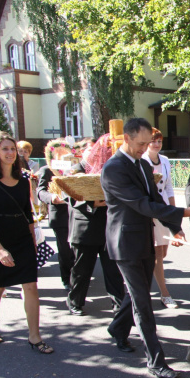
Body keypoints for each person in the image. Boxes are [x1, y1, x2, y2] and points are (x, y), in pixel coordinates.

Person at [101, 118, 190, 378]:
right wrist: (186, 211)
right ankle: (156, 362)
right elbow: (142, 205)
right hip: (125, 245)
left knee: (139, 293)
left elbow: (155, 198)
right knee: (143, 303)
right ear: (127, 138)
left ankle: (117, 329)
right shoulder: (113, 169)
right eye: (141, 143)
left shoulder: (143, 164)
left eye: (148, 143)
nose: (145, 149)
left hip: (143, 238)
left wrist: (173, 226)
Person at [0, 133, 53, 353]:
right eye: (5, 149)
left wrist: (33, 242)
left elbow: (28, 215)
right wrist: (0, 249)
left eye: (12, 148)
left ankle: (35, 336)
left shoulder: (23, 181)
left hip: (22, 237)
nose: (10, 153)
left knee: (30, 285)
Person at [65, 135, 125, 316]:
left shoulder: (110, 168)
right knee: (82, 269)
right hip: (86, 227)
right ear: (85, 151)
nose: (99, 152)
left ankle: (118, 302)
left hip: (108, 227)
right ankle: (75, 301)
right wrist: (93, 203)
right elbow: (71, 196)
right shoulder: (77, 169)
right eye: (94, 149)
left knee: (112, 269)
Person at [142, 128, 178, 309]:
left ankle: (143, 286)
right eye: (153, 141)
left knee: (162, 253)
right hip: (151, 211)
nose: (156, 144)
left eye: (159, 141)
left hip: (164, 210)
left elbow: (169, 187)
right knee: (157, 255)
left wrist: (173, 212)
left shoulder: (164, 160)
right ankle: (165, 294)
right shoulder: (142, 161)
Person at [37, 143, 75, 291]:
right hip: (60, 216)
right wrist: (51, 197)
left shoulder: (73, 169)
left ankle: (77, 277)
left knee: (77, 250)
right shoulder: (47, 170)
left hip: (77, 215)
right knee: (65, 250)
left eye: (63, 152)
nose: (61, 155)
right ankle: (67, 279)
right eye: (57, 153)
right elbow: (40, 190)